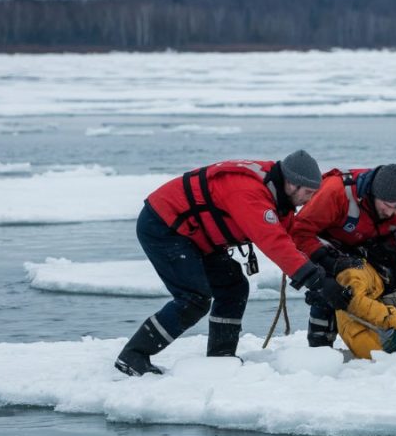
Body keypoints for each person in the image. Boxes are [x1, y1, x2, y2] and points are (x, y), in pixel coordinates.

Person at [115, 151, 344, 376]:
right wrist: (317, 282)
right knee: (193, 299)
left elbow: (291, 237)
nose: (310, 199)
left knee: (233, 288)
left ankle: (220, 357)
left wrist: (327, 266)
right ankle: (133, 355)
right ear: (292, 184)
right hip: (165, 226)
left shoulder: (279, 198)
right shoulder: (248, 191)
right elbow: (275, 243)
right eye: (308, 192)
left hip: (198, 237)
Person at [289, 163, 396, 348]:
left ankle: (389, 338)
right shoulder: (336, 192)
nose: (391, 212)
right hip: (322, 245)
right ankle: (320, 346)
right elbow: (298, 232)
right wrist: (327, 261)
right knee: (331, 290)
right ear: (372, 195)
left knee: (393, 278)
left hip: (361, 248)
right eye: (387, 205)